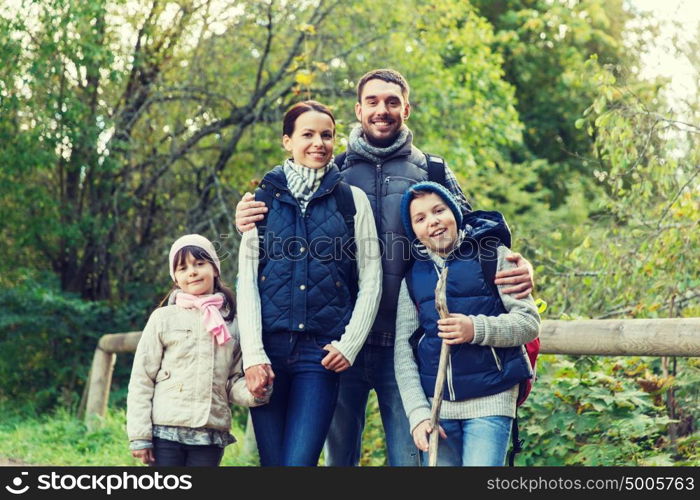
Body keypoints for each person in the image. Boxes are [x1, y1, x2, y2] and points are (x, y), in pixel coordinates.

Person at [235, 69, 534, 466]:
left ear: (406, 109)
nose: (382, 110)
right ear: (358, 110)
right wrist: (246, 215)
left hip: (409, 344)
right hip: (338, 343)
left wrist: (517, 260)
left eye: (392, 102)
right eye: (372, 102)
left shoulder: (434, 170)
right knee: (339, 458)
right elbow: (286, 234)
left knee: (408, 458)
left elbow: (475, 232)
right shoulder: (332, 173)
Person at [236, 100, 381, 466]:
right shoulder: (262, 201)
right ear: (287, 141)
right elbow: (247, 284)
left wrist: (349, 344)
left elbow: (371, 281)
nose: (319, 142)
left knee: (299, 463)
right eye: (308, 134)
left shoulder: (353, 201)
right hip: (268, 352)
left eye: (327, 135)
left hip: (320, 355)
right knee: (272, 464)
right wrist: (252, 356)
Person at [395, 182, 540, 466]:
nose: (433, 221)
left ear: (456, 213)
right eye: (420, 218)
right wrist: (418, 413)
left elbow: (528, 322)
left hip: (492, 399)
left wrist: (475, 329)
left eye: (439, 210)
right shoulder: (412, 279)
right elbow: (403, 351)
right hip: (438, 409)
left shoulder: (492, 256)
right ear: (413, 231)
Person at [126, 234, 266, 466]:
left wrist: (256, 392)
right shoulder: (163, 318)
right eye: (183, 268)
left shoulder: (234, 322)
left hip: (209, 433)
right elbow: (142, 379)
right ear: (176, 278)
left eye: (200, 264)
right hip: (165, 432)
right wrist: (140, 436)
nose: (192, 272)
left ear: (215, 269)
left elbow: (232, 381)